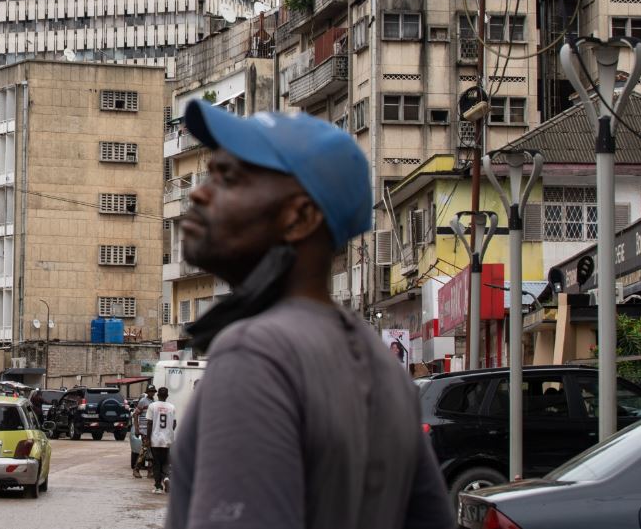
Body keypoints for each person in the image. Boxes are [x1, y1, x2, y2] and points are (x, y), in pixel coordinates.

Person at [167, 103, 453, 529]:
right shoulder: (384, 370)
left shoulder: (256, 354)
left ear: (299, 218)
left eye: (228, 178)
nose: (198, 193)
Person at [146, 387, 176, 494]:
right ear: (167, 396)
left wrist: (148, 438)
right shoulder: (172, 407)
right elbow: (174, 424)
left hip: (155, 439)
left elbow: (149, 423)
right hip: (167, 439)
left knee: (156, 463)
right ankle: (167, 479)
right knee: (166, 462)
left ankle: (158, 486)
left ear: (157, 395)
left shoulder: (152, 406)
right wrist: (168, 432)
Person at [132, 385, 156, 478]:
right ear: (147, 392)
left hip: (151, 430)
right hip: (144, 430)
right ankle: (136, 469)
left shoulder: (153, 402)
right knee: (144, 450)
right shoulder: (143, 401)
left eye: (153, 391)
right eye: (150, 391)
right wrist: (137, 429)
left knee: (150, 451)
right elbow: (135, 415)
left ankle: (150, 471)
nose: (152, 393)